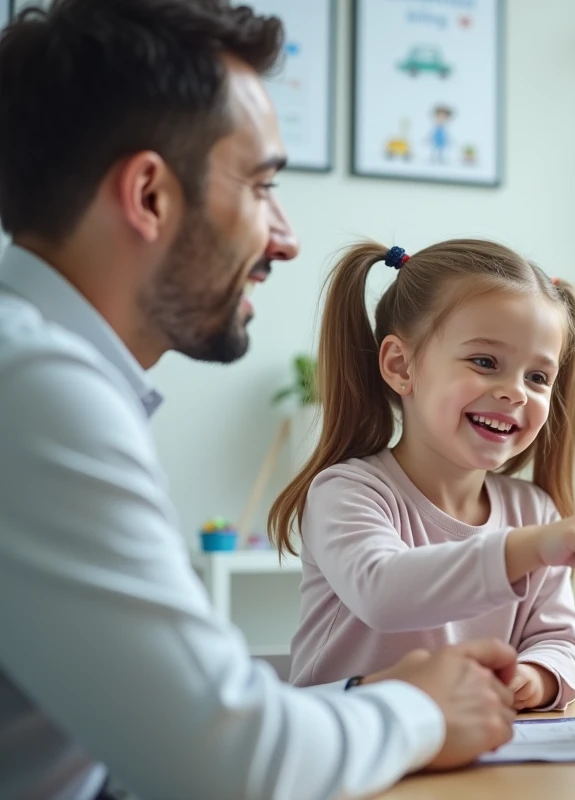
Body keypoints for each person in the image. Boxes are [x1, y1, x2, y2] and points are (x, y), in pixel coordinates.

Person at [0, 2, 524, 798]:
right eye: (262, 186)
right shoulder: (35, 388)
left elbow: (170, 711)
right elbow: (229, 763)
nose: (285, 236)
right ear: (148, 195)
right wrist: (418, 707)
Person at [268, 239, 575, 710]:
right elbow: (384, 592)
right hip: (349, 756)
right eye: (485, 363)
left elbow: (562, 641)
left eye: (537, 377)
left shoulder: (532, 510)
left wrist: (536, 677)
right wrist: (531, 546)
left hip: (470, 756)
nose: (514, 392)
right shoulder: (347, 492)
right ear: (399, 365)